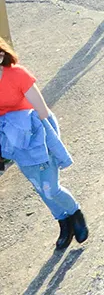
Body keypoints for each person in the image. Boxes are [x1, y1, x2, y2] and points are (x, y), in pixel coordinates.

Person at [0, 38, 88, 250]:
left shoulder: (18, 74)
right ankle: (63, 224)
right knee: (40, 188)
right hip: (15, 141)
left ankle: (75, 213)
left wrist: (50, 144)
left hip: (38, 133)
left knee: (51, 188)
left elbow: (43, 112)